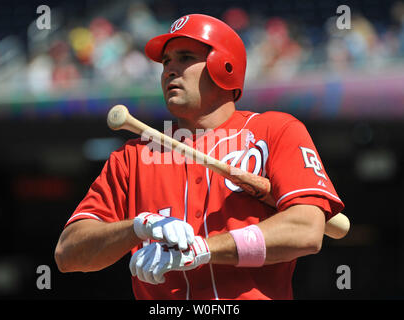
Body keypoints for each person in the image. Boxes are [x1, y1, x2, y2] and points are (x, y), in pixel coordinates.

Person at [54, 14, 344, 300]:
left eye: (184, 58)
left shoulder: (274, 131)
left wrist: (202, 250)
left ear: (225, 65)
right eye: (166, 62)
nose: (169, 70)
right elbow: (68, 254)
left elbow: (307, 230)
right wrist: (138, 226)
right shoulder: (133, 156)